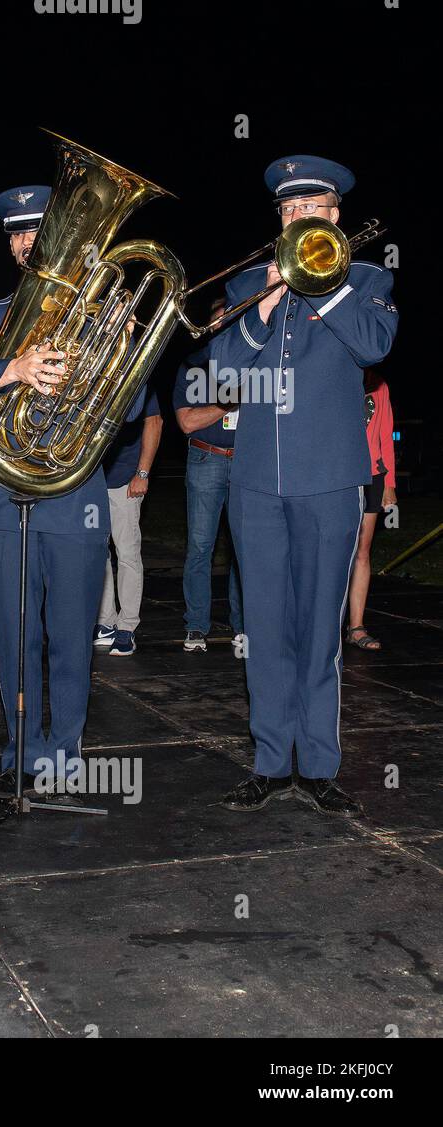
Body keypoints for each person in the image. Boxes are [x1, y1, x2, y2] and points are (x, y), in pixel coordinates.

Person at [0, 185, 137, 798]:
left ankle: (66, 756)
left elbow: (127, 413)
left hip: (75, 498)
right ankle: (21, 754)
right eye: (19, 235)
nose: (28, 244)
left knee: (71, 636)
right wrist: (12, 369)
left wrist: (120, 350)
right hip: (3, 501)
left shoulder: (100, 312)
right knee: (15, 638)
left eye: (39, 233)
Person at [218, 156, 397, 816]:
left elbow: (375, 345)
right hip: (257, 480)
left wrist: (324, 284)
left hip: (330, 479)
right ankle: (269, 761)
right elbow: (220, 368)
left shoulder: (369, 278)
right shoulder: (249, 282)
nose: (296, 217)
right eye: (287, 210)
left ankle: (318, 765)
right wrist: (261, 307)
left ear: (335, 214)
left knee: (320, 629)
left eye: (309, 207)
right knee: (264, 628)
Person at [173, 301, 245, 653]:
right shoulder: (194, 366)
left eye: (231, 319)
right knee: (201, 546)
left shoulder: (254, 363)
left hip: (247, 463)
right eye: (219, 321)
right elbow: (186, 423)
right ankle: (196, 627)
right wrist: (225, 406)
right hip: (206, 459)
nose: (225, 325)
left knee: (242, 549)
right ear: (211, 327)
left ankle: (243, 628)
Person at [94, 386, 162, 656]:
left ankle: (127, 627)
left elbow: (154, 422)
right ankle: (105, 622)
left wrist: (142, 474)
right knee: (98, 554)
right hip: (92, 482)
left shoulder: (139, 375)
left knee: (127, 554)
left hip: (125, 480)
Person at [346, 370, 397, 651]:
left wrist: (389, 482)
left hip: (372, 476)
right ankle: (323, 625)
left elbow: (386, 434)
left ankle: (356, 626)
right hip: (339, 474)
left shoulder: (380, 384)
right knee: (334, 550)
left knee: (362, 551)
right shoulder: (337, 373)